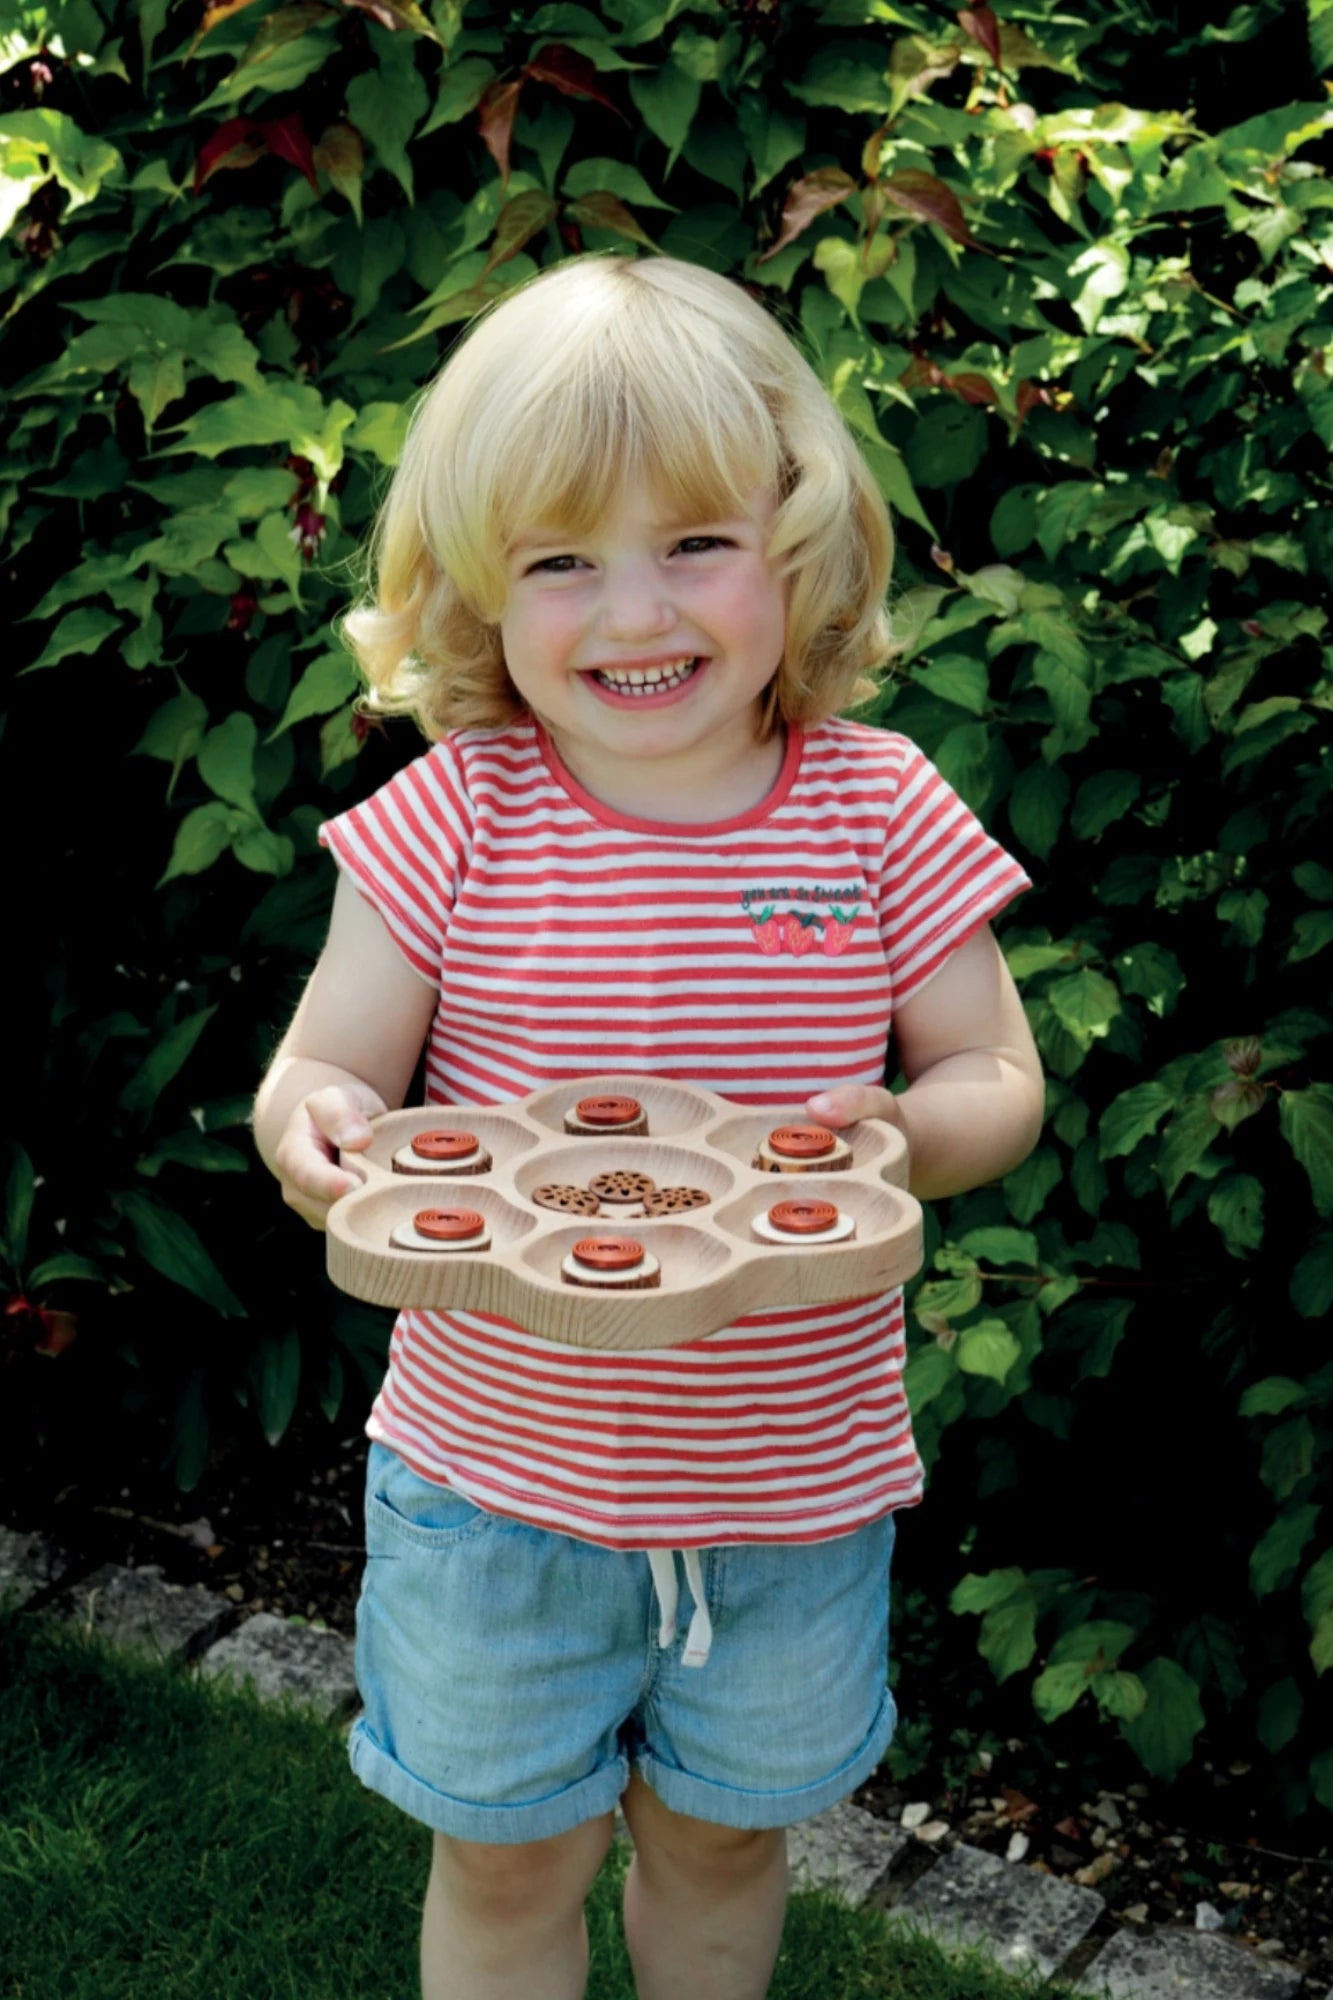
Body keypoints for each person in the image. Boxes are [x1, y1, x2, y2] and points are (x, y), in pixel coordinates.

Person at [252, 252, 1044, 2000]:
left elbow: (998, 1075)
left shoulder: (876, 804)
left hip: (789, 1490)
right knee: (511, 1855)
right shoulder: (449, 818)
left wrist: (912, 1128)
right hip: (494, 1491)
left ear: (802, 535)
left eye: (693, 544)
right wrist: (310, 1124)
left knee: (720, 1842)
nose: (634, 615)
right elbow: (323, 1074)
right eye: (560, 564)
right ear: (477, 588)